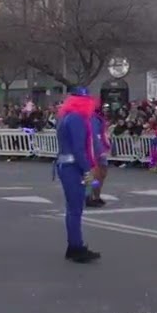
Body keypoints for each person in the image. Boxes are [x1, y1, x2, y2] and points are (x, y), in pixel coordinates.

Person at [54, 88, 100, 263]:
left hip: (67, 165)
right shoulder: (76, 119)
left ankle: (74, 245)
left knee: (73, 208)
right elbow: (79, 148)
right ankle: (76, 247)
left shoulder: (66, 117)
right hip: (73, 166)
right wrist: (87, 169)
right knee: (75, 209)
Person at [86, 104, 111, 208]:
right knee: (95, 175)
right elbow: (94, 135)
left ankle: (96, 196)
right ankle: (89, 196)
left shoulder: (99, 118)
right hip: (95, 149)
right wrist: (99, 150)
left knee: (102, 173)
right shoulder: (92, 118)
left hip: (101, 147)